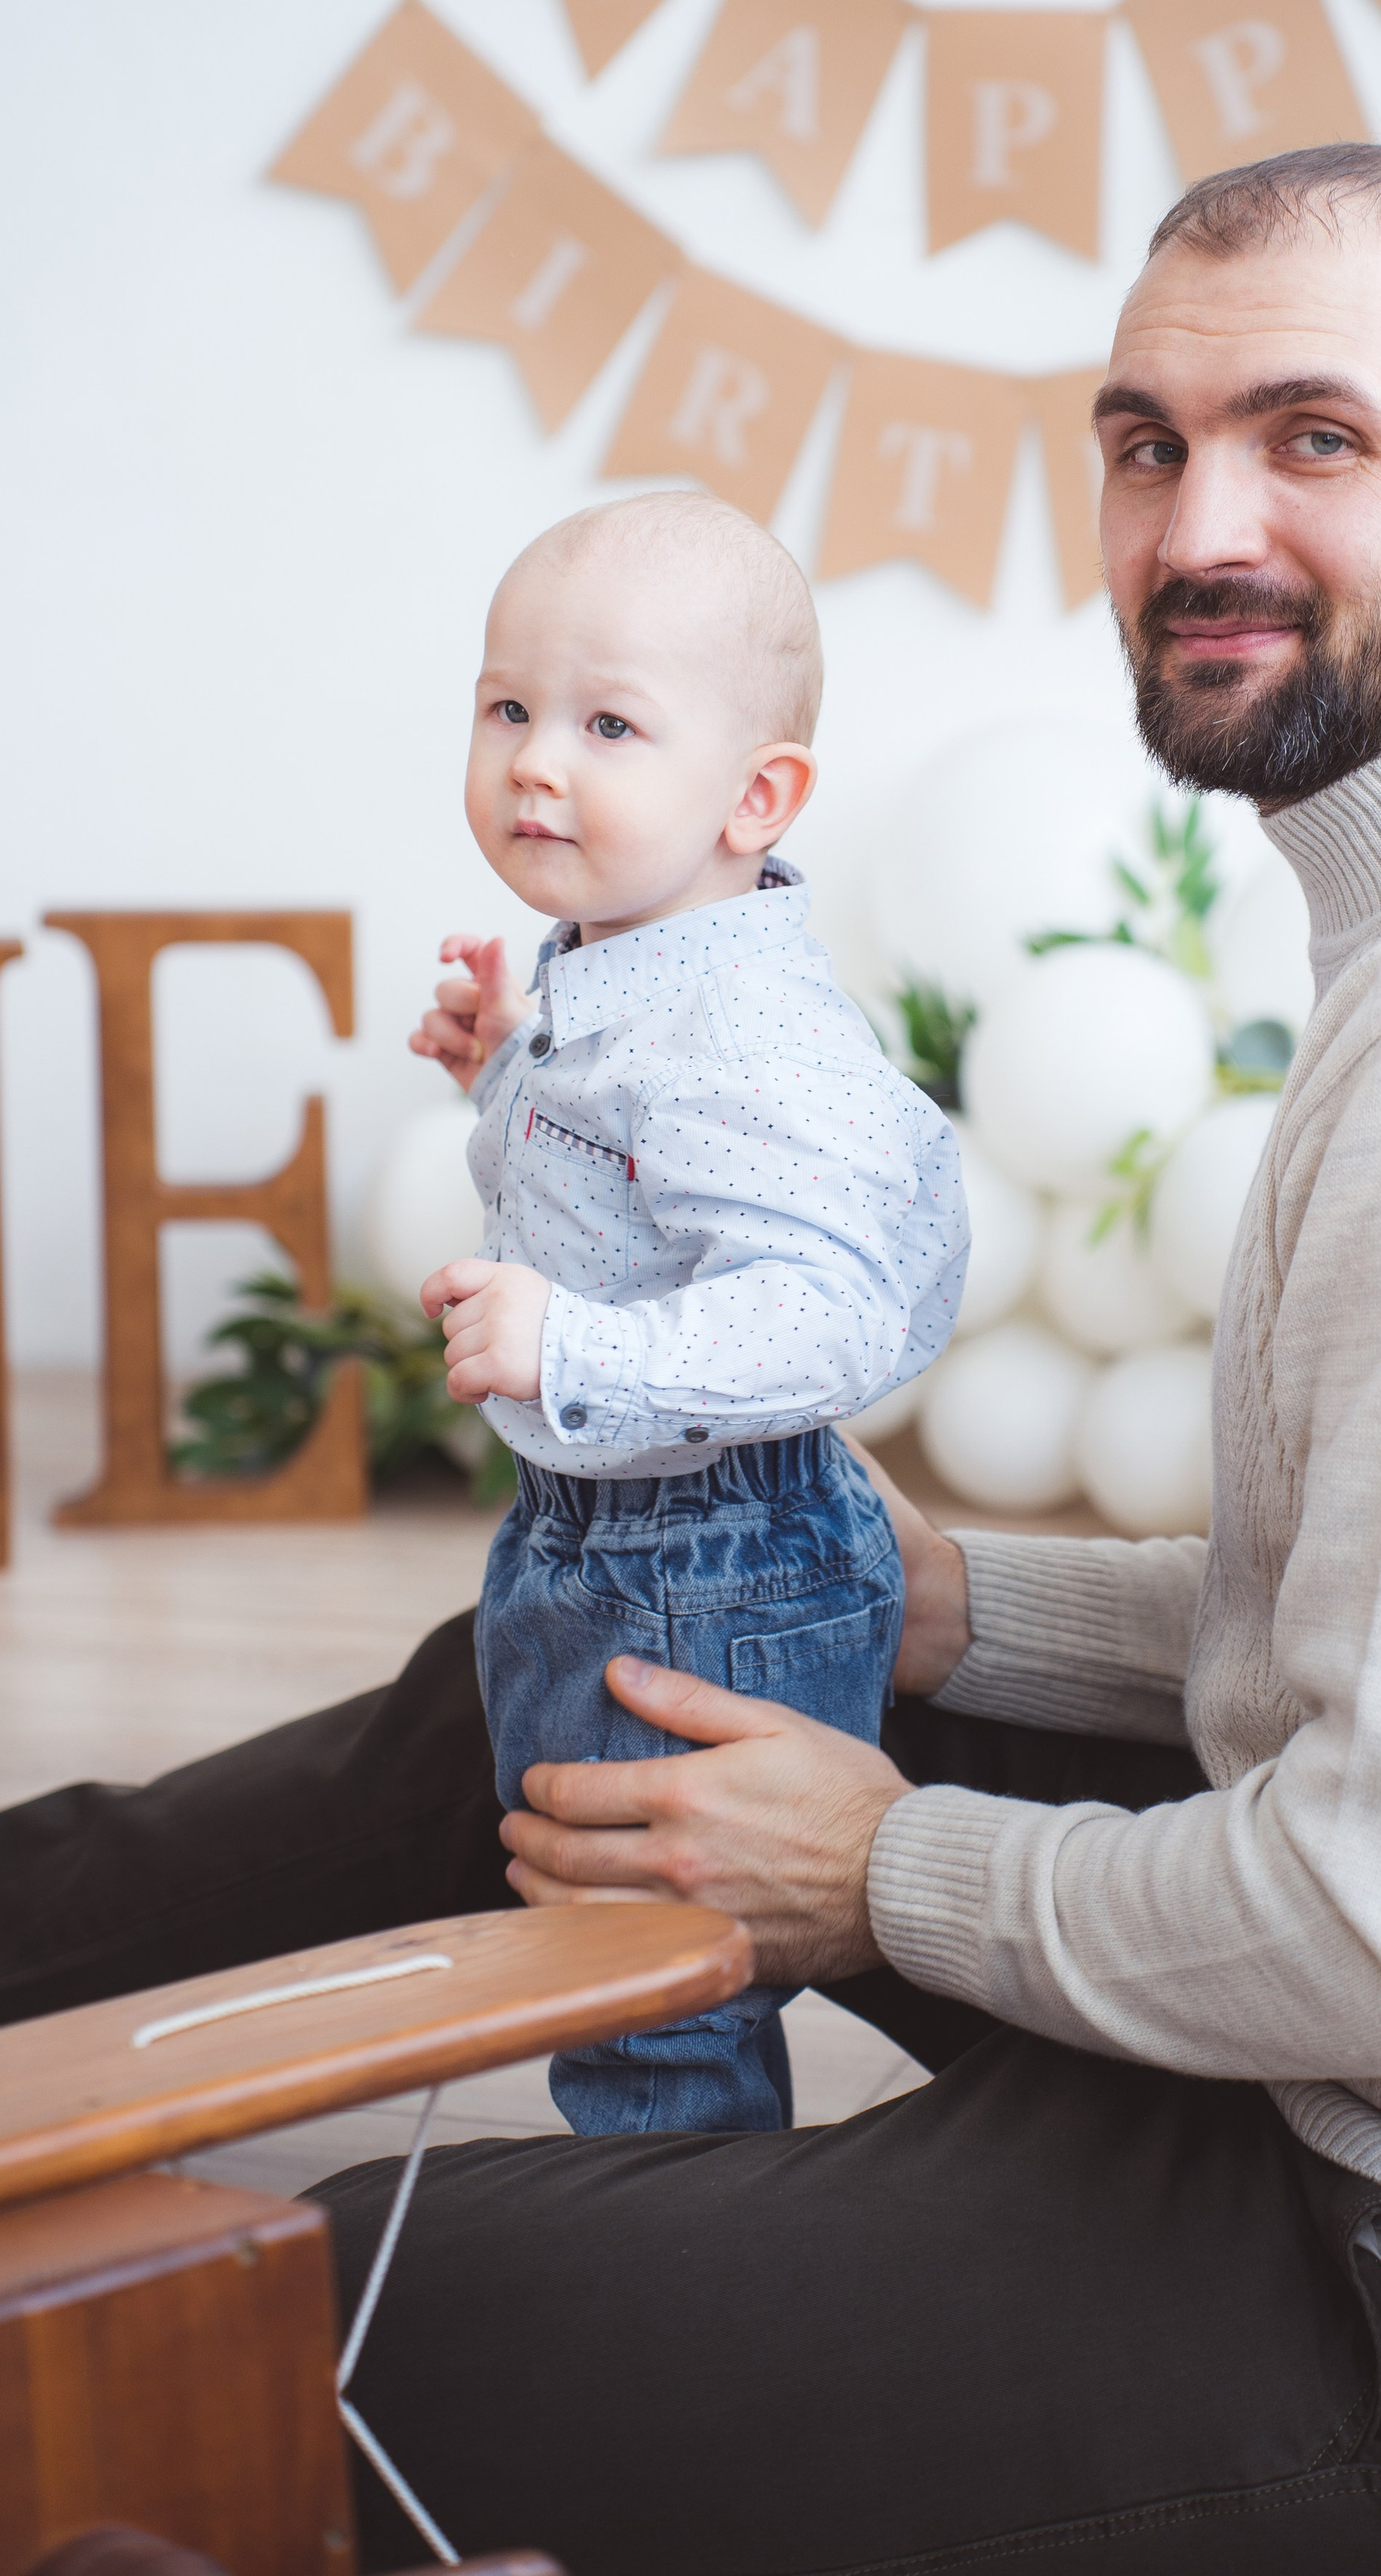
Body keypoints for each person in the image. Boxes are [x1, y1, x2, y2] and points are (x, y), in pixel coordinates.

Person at [0, 145, 1381, 2572]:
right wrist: (966, 1610)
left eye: (1316, 438)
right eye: (1145, 441)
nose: (1202, 523)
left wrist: (884, 1874)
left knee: (314, 2311)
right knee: (605, 1667)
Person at [405, 495, 965, 2131]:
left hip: (702, 1558)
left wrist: (572, 1348)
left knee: (654, 1996)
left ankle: (673, 2256)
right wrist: (506, 1065)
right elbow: (632, 1176)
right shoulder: (629, 958)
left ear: (756, 796)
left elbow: (828, 1316)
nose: (533, 762)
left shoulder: (748, 1030)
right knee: (602, 1939)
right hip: (607, 1535)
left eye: (607, 725)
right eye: (507, 706)